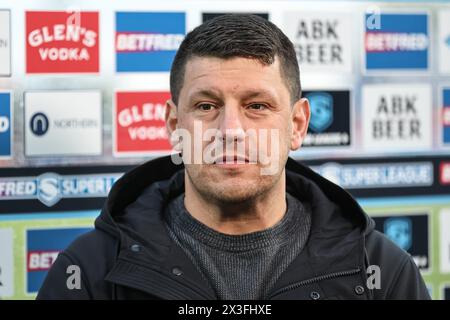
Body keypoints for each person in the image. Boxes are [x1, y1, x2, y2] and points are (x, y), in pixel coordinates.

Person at [37, 14, 430, 300]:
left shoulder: (382, 271)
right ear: (175, 124)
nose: (231, 130)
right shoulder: (89, 272)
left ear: (296, 125)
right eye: (206, 106)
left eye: (257, 106)